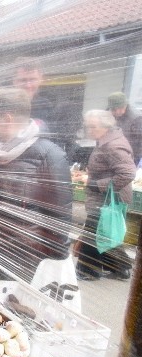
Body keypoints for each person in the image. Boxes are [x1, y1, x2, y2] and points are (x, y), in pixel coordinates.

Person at [0, 88, 73, 283]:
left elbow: (60, 217)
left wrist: (53, 257)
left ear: (7, 118)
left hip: (24, 256)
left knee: (16, 308)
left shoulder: (49, 155)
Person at [75, 109, 136, 281]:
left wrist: (95, 184)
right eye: (88, 127)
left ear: (106, 126)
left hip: (107, 198)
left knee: (93, 234)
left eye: (93, 127)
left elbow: (127, 173)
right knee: (105, 233)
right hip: (106, 197)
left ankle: (88, 271)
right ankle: (121, 268)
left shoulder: (113, 145)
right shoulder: (105, 140)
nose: (89, 130)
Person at [0, 57, 55, 142]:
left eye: (32, 79)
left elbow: (54, 140)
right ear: (14, 81)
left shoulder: (46, 107)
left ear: (40, 79)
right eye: (23, 80)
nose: (28, 85)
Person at [107, 91, 142, 166]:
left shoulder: (136, 118)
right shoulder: (108, 114)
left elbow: (139, 142)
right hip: (111, 153)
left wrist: (131, 158)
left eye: (121, 108)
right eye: (114, 109)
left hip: (129, 156)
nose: (118, 112)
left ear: (125, 105)